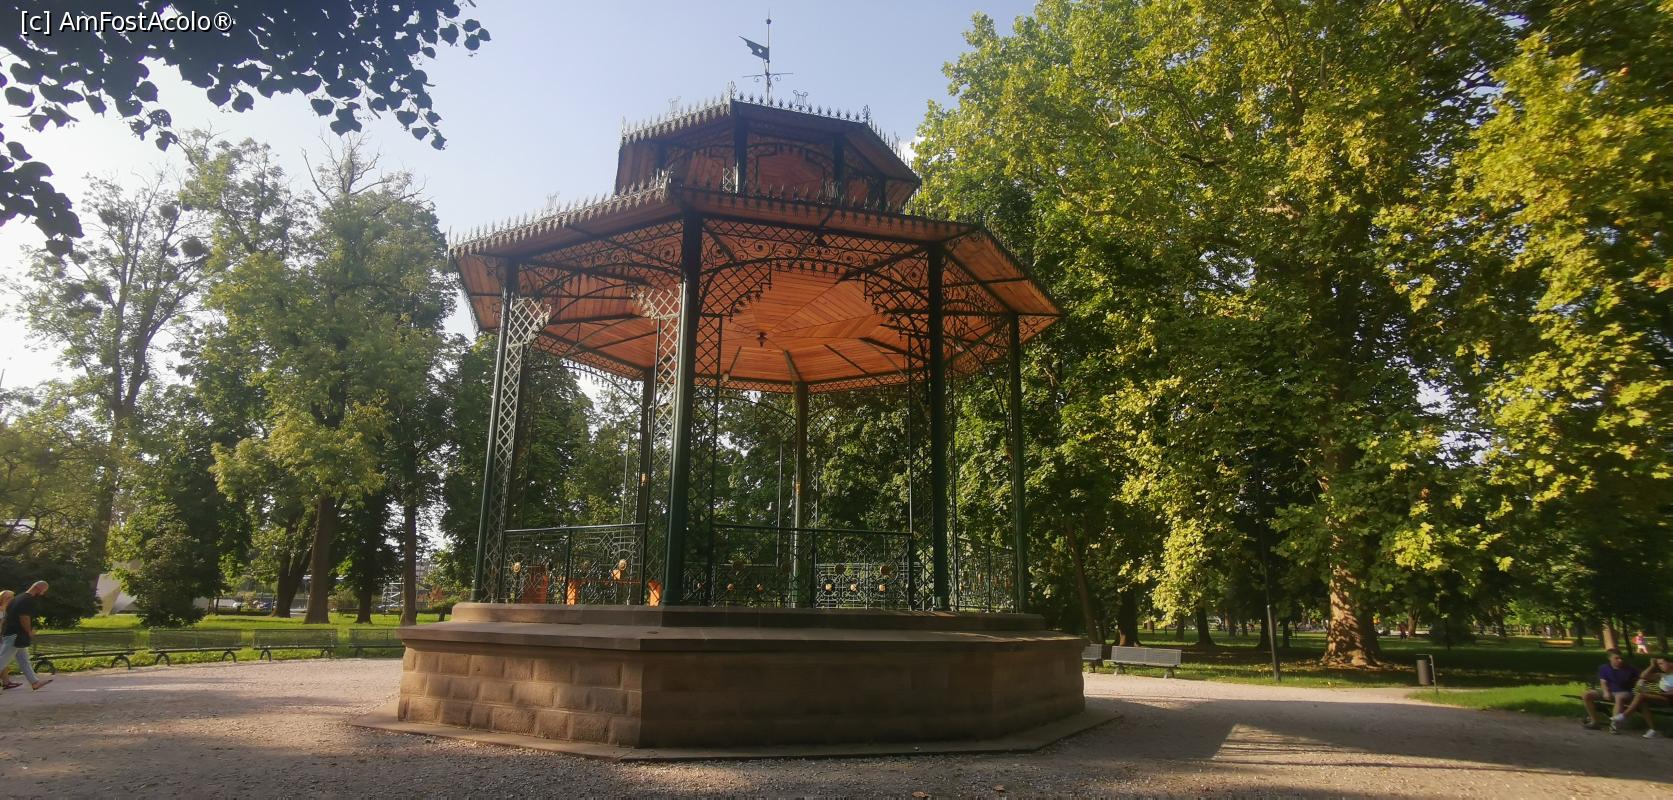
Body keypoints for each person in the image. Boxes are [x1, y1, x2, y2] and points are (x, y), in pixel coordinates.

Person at [0, 581, 52, 691]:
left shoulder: (18, 598)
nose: (43, 593)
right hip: (15, 635)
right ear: (38, 588)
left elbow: (7, 617)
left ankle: (35, 682)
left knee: (24, 660)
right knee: (3, 660)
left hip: (14, 634)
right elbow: (24, 617)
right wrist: (29, 631)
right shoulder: (27, 600)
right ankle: (35, 682)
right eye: (43, 591)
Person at [1581, 648, 1640, 733]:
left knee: (1619, 697)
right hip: (1611, 692)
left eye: (1621, 658)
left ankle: (1614, 725)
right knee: (1587, 695)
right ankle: (1594, 721)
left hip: (1625, 692)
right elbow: (1603, 682)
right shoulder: (1604, 668)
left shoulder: (1630, 668)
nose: (1620, 660)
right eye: (1617, 658)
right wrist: (1606, 692)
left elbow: (1642, 677)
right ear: (1610, 658)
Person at [1618, 654, 1673, 739]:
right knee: (1642, 701)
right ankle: (1653, 729)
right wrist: (1652, 666)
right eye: (1658, 664)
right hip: (1660, 698)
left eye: (1661, 663)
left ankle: (1624, 715)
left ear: (1671, 663)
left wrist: (1657, 693)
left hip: (1669, 700)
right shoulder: (1661, 675)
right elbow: (1643, 676)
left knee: (1641, 695)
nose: (1660, 666)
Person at [0, 590, 16, 689]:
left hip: (4, 637)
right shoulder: (1, 610)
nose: (12, 599)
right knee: (3, 659)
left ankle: (6, 682)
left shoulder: (8, 609)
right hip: (1, 637)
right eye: (9, 597)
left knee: (3, 660)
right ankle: (6, 682)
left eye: (13, 597)